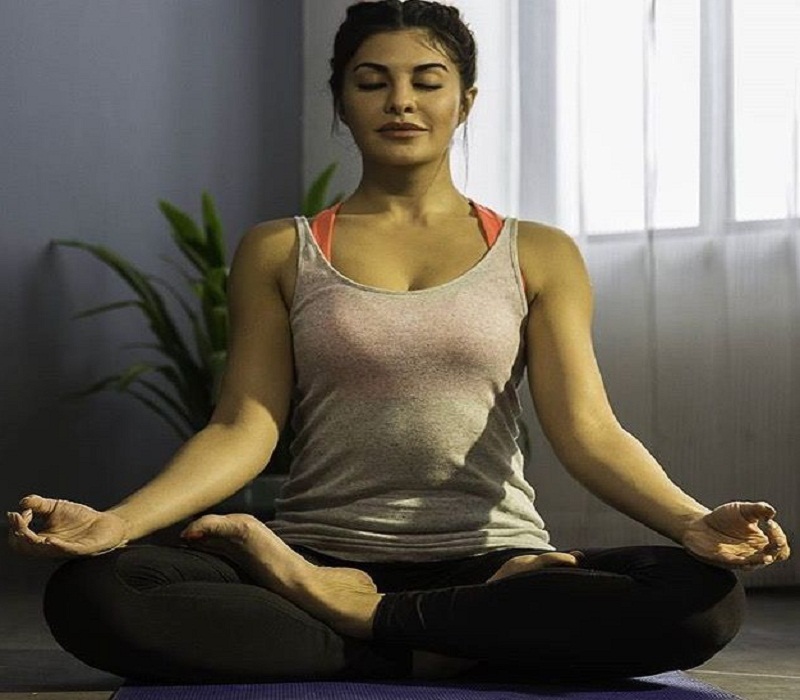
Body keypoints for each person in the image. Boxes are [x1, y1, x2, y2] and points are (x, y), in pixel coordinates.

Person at [7, 0, 791, 685]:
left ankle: (366, 627)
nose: (401, 101)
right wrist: (117, 522)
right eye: (372, 80)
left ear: (466, 100)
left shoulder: (540, 252)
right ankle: (437, 639)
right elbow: (243, 425)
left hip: (492, 563)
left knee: (704, 600)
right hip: (320, 551)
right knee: (97, 595)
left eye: (428, 79)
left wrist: (692, 522)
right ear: (342, 101)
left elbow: (587, 431)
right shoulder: (280, 250)